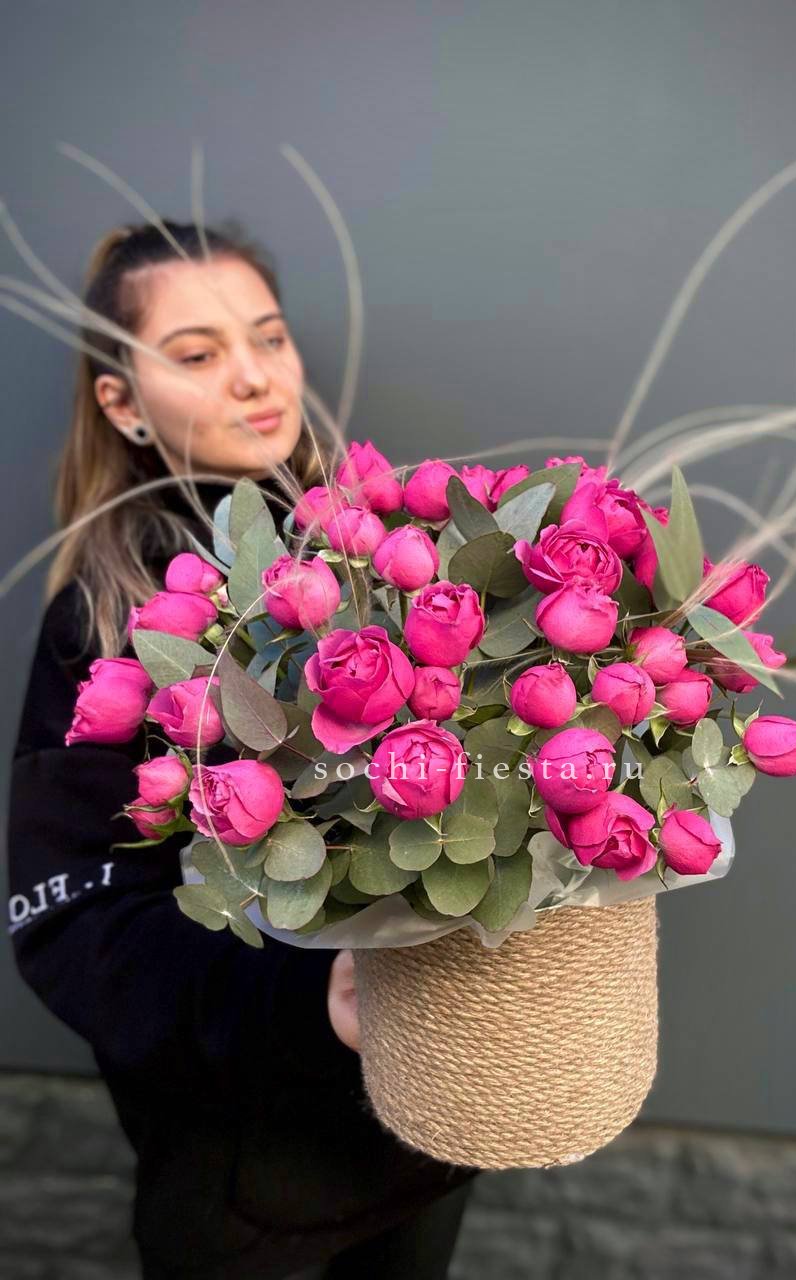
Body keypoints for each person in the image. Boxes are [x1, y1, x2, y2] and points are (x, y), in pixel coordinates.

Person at [4, 220, 479, 1279]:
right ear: (121, 401)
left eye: (267, 336)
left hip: (430, 1125)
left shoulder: (380, 555)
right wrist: (314, 1002)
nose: (256, 377)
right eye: (198, 353)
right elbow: (77, 925)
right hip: (249, 1185)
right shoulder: (109, 619)